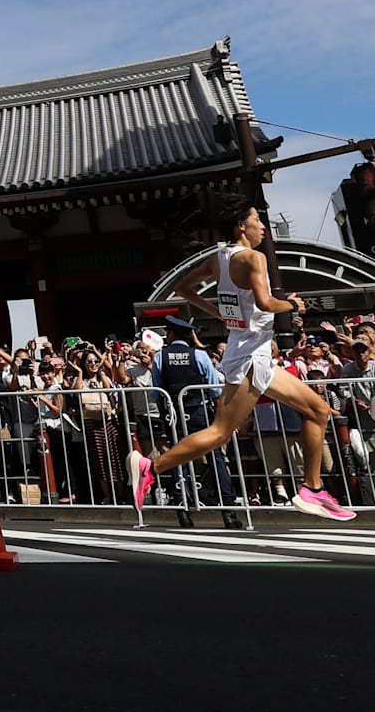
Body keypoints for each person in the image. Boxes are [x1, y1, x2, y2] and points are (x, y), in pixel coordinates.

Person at [128, 197, 355, 522]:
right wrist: (291, 305)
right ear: (241, 225)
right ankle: (150, 466)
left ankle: (313, 489)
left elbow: (183, 288)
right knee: (220, 432)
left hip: (249, 353)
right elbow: (265, 303)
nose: (263, 226)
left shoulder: (220, 257)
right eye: (257, 220)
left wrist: (218, 312)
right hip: (251, 357)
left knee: (317, 409)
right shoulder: (254, 258)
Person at [151, 315, 236, 527]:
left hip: (175, 416)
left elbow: (157, 392)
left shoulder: (160, 357)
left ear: (170, 334)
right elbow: (214, 390)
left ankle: (183, 510)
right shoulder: (199, 355)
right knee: (216, 458)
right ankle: (228, 510)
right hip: (201, 413)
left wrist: (164, 417)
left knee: (179, 459)